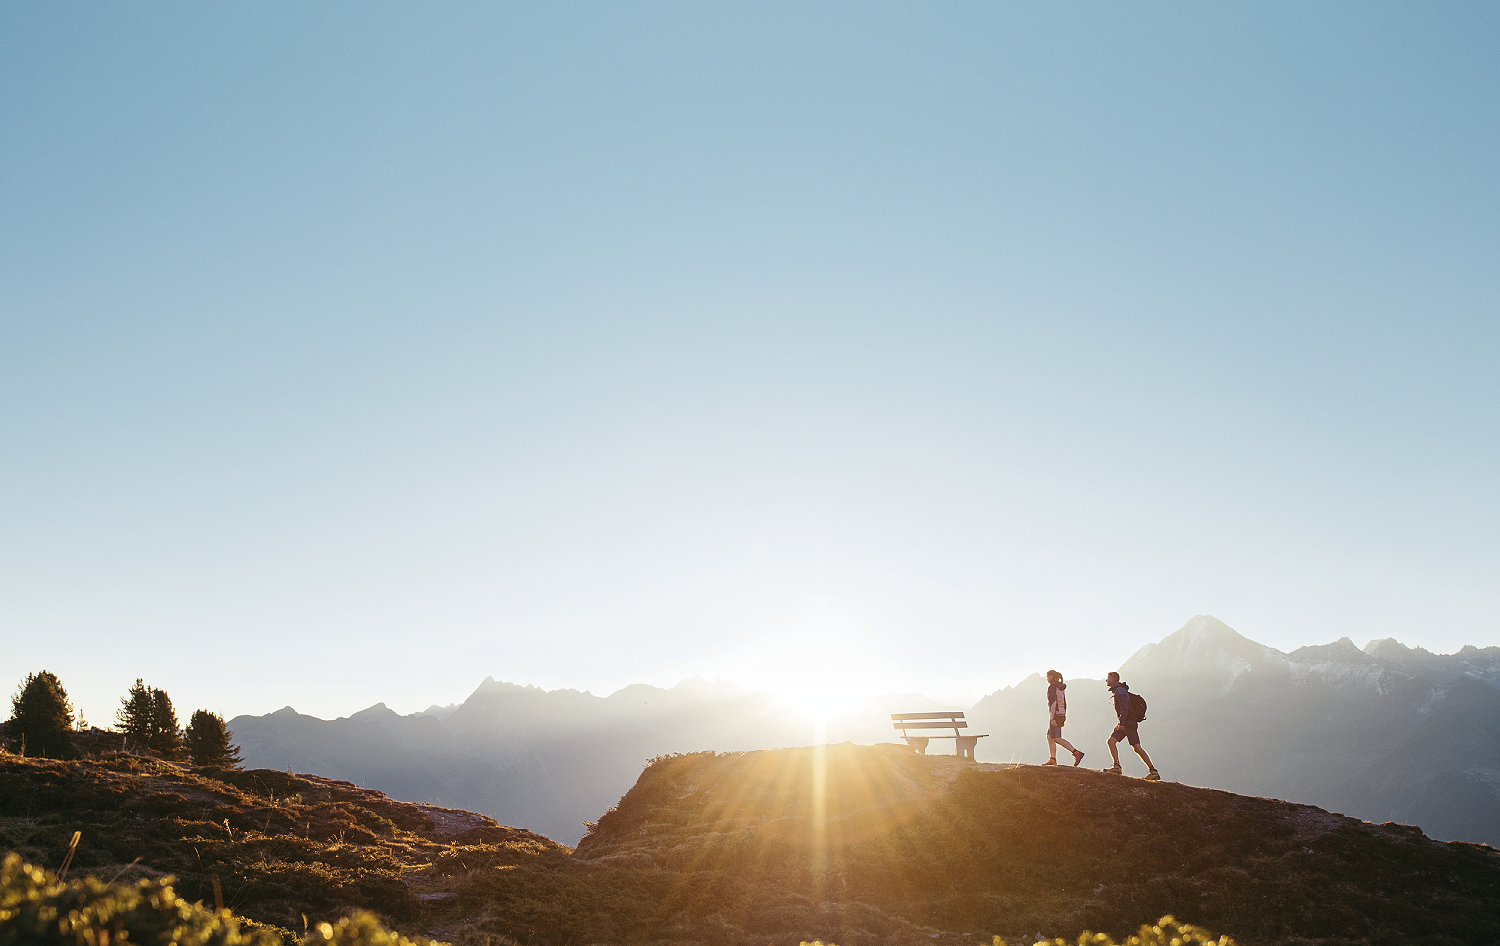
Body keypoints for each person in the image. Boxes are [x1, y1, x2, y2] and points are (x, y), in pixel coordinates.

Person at [1105, 671, 1160, 781]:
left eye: (1108, 678)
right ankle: (1117, 767)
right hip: (1126, 723)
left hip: (1127, 724)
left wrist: (1122, 723)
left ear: (1113, 678)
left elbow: (1125, 708)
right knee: (1111, 742)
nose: (1106, 680)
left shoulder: (1120, 691)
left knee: (1137, 748)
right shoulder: (1119, 690)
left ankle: (1153, 771)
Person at [1042, 670, 1085, 766]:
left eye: (1047, 677)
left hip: (1056, 715)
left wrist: (1052, 717)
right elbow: (1063, 703)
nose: (1046, 679)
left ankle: (1076, 752)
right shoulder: (1060, 687)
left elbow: (1052, 703)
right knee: (1050, 736)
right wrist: (1063, 714)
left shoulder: (1052, 687)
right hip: (1060, 714)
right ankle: (1052, 759)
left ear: (1051, 677)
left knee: (1056, 738)